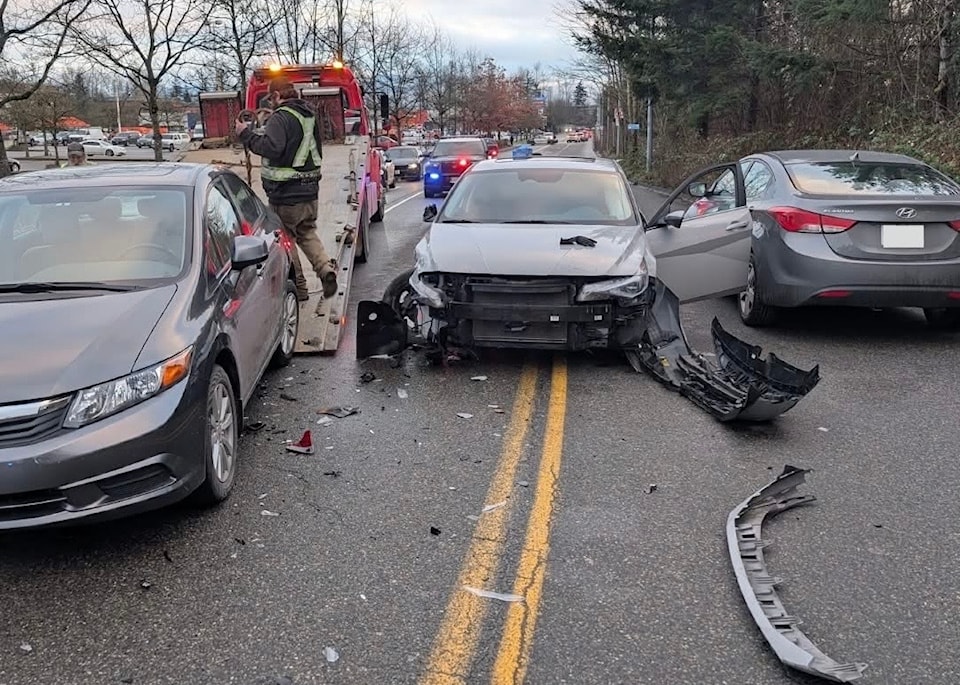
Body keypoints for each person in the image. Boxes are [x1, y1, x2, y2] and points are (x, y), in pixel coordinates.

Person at [235, 75, 338, 300]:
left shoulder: (280, 118)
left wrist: (246, 134)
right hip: (310, 192)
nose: (269, 103)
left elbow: (272, 147)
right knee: (307, 233)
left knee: (286, 239)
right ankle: (325, 269)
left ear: (277, 95)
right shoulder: (308, 115)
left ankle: (299, 287)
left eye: (270, 98)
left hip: (286, 195)